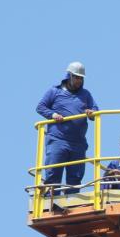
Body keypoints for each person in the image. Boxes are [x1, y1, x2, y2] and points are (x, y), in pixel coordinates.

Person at [36, 61, 98, 195]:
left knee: (75, 177)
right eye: (76, 77)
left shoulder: (85, 94)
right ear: (69, 76)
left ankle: (71, 201)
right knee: (53, 173)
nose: (79, 81)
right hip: (58, 140)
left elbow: (95, 110)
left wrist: (91, 113)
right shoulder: (54, 91)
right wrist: (53, 114)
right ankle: (51, 201)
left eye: (81, 78)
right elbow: (40, 107)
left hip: (78, 143)